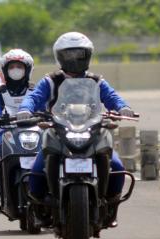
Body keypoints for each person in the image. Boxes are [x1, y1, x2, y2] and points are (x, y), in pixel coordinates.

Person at [17, 32, 135, 226]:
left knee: (119, 167)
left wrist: (123, 107)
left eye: (78, 54)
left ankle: (111, 206)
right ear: (59, 57)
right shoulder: (50, 81)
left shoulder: (97, 81)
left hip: (93, 130)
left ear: (88, 55)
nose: (73, 59)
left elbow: (112, 96)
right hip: (58, 130)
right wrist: (25, 109)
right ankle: (40, 208)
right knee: (37, 169)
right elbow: (34, 97)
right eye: (68, 55)